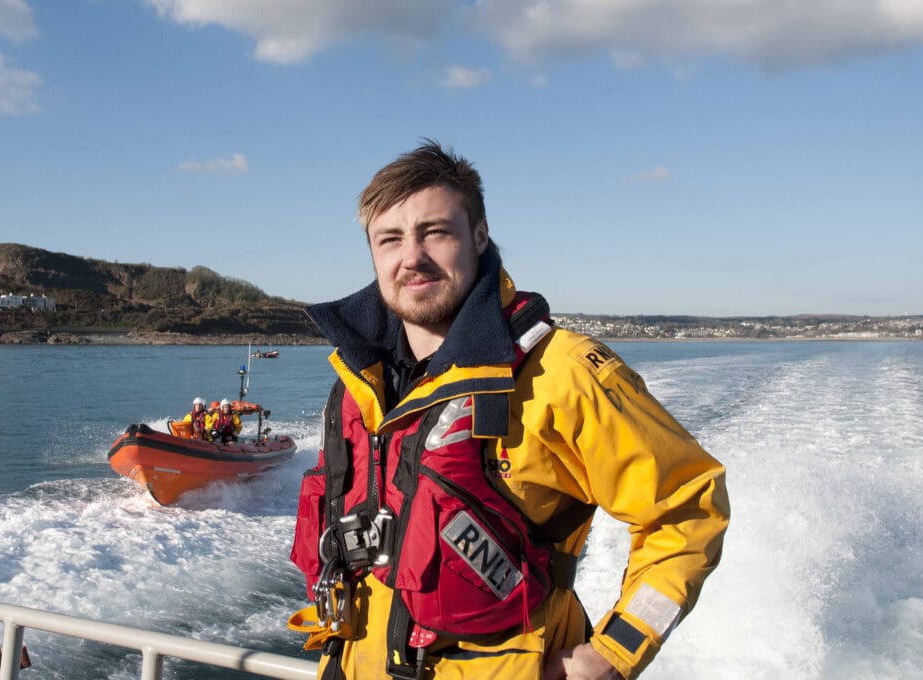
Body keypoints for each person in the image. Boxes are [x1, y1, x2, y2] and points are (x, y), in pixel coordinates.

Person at [289, 141, 730, 679]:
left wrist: (615, 653)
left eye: (436, 232)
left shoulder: (560, 372)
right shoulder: (361, 384)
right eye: (390, 240)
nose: (412, 257)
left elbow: (688, 509)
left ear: (478, 236)